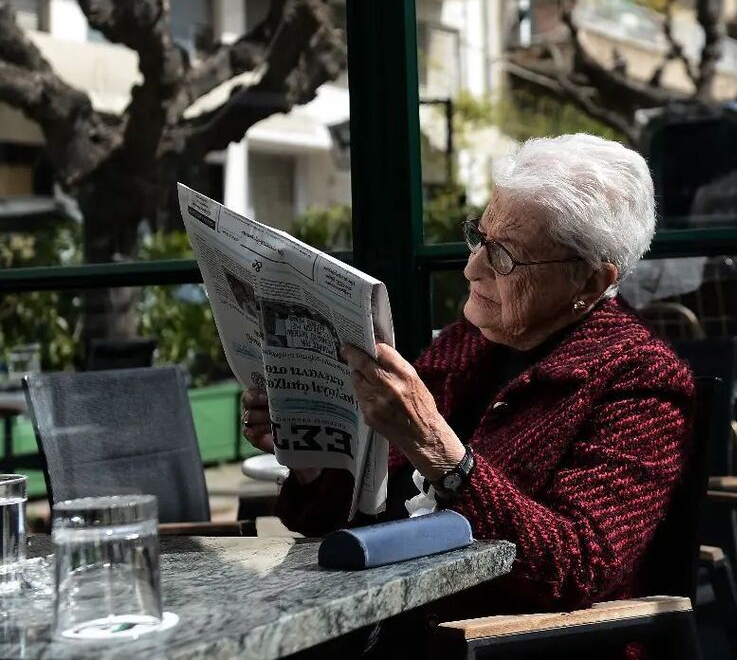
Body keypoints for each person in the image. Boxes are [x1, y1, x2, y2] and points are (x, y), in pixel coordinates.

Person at [242, 133, 694, 626]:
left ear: (591, 281)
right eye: (479, 237)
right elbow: (355, 517)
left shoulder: (642, 381)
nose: (471, 267)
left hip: (498, 645)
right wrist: (310, 459)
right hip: (387, 618)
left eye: (504, 256)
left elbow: (577, 568)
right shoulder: (471, 340)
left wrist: (438, 450)